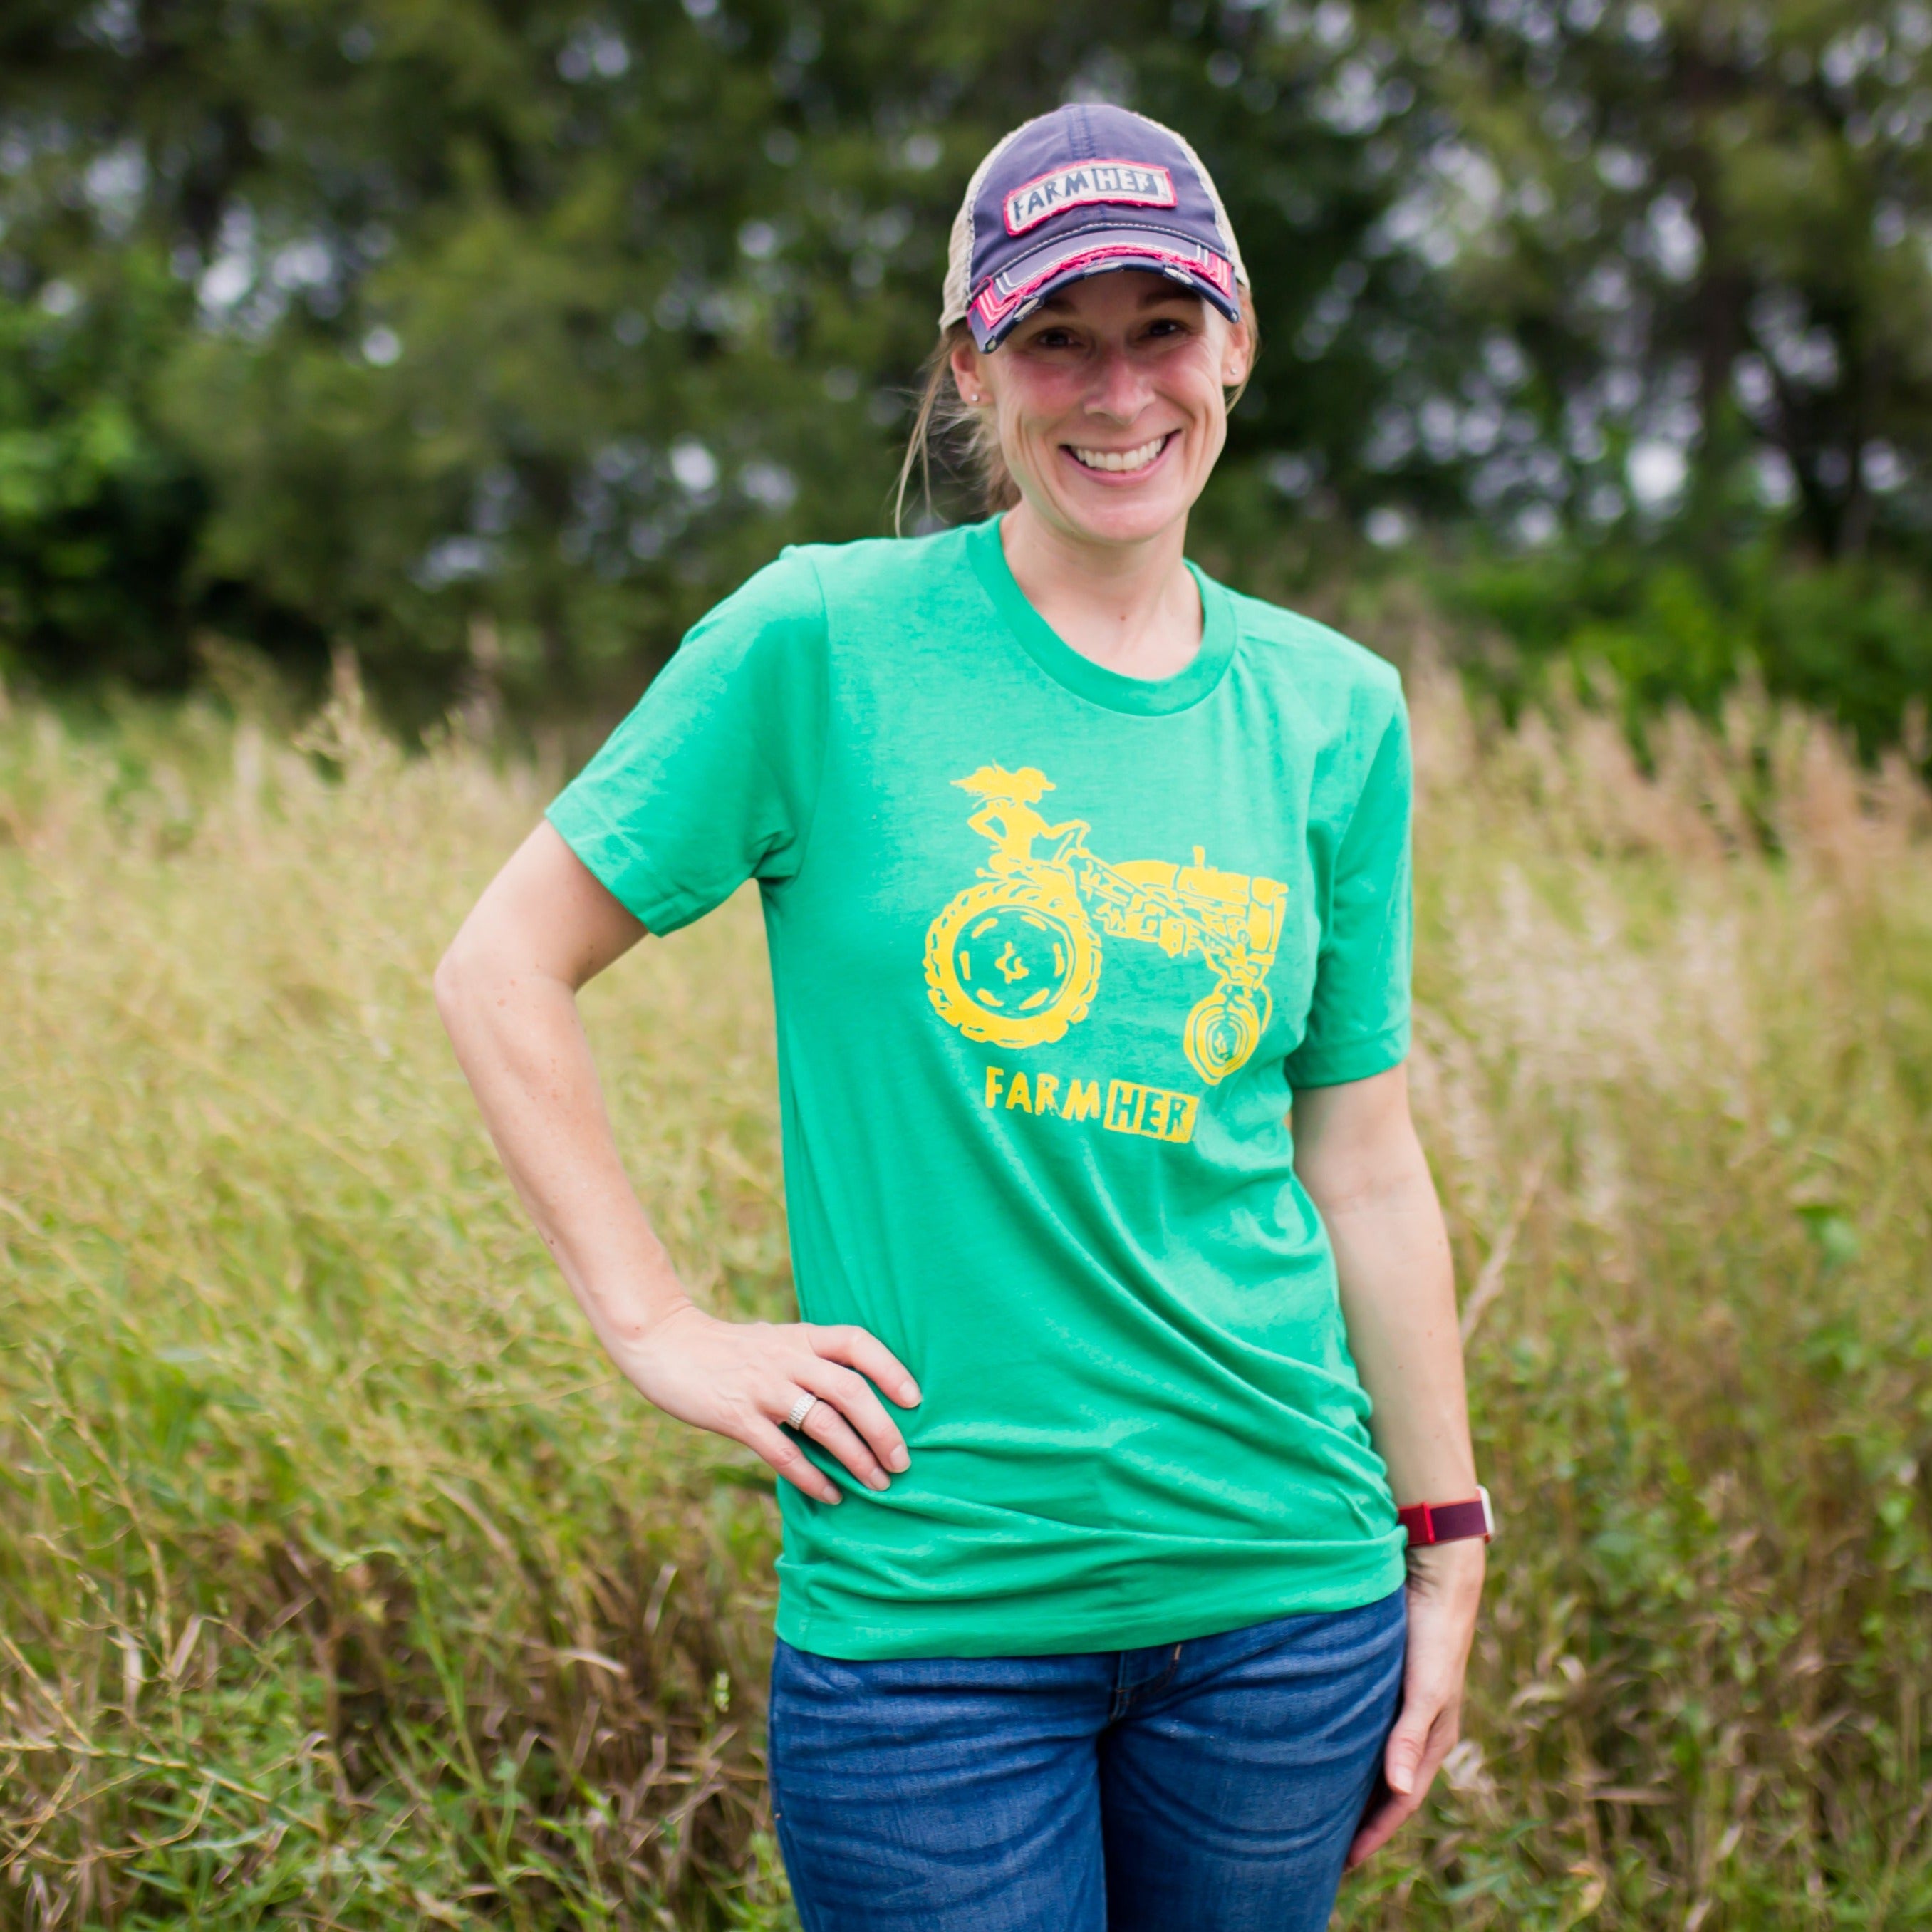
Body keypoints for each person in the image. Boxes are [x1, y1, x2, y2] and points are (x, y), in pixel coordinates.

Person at [436, 102, 1487, 1932]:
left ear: (1236, 346)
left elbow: (1363, 1165)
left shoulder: (1336, 710)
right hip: (932, 1630)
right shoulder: (820, 643)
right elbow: (499, 966)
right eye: (1056, 337)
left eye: (1163, 329)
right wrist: (657, 1323)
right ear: (972, 369)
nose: (1118, 391)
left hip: (1283, 1601)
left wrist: (1446, 1537)